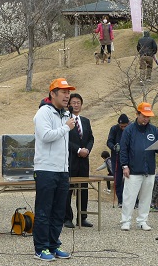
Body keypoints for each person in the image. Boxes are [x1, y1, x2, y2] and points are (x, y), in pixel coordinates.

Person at [32, 78, 76, 261]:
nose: (67, 96)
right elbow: (46, 135)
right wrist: (65, 128)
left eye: (68, 92)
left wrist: (66, 126)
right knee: (44, 210)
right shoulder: (43, 112)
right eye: (64, 92)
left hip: (62, 170)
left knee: (59, 210)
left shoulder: (66, 114)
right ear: (53, 93)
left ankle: (53, 245)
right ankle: (40, 248)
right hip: (45, 169)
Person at [119, 102, 158, 231]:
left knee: (146, 197)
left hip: (149, 169)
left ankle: (142, 220)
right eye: (143, 116)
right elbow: (123, 149)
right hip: (133, 169)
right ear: (137, 114)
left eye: (148, 116)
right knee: (130, 196)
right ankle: (126, 220)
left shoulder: (154, 130)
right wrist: (125, 166)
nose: (146, 119)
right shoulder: (129, 130)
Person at [64, 93, 94, 229]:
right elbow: (65, 139)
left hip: (84, 161)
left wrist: (87, 149)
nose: (76, 105)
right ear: (69, 104)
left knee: (83, 190)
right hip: (70, 159)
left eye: (78, 103)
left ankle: (82, 217)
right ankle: (67, 218)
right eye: (73, 102)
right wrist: (78, 150)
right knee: (68, 190)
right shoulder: (65, 119)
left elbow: (90, 138)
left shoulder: (86, 121)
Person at [107, 114, 129, 208]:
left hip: (128, 157)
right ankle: (120, 200)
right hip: (116, 157)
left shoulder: (131, 128)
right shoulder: (114, 129)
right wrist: (114, 147)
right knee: (118, 180)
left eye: (125, 126)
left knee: (130, 179)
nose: (123, 128)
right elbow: (109, 141)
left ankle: (133, 200)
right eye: (121, 126)